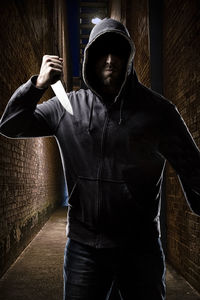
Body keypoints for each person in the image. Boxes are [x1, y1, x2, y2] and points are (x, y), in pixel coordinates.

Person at [0, 18, 200, 300]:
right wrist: (36, 85)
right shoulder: (67, 108)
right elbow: (10, 124)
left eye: (117, 52)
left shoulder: (158, 112)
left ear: (128, 59)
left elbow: (193, 169)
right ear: (90, 59)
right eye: (101, 53)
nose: (109, 61)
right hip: (85, 249)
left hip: (140, 249)